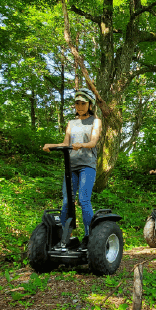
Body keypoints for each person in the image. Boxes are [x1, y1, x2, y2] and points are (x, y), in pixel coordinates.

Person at [42, 88, 101, 250]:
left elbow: (93, 142)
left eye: (83, 103)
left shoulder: (95, 121)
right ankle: (64, 237)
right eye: (77, 103)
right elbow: (65, 143)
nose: (80, 106)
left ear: (90, 104)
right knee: (67, 201)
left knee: (83, 200)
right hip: (71, 166)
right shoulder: (71, 123)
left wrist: (81, 144)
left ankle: (89, 236)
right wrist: (51, 146)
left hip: (87, 165)